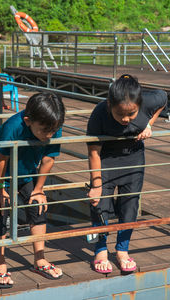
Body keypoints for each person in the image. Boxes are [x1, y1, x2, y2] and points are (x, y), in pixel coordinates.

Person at [0, 92, 65, 288]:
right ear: (28, 121)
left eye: (54, 130)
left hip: (26, 167)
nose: (50, 136)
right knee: (0, 211)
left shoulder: (53, 124)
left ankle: (40, 260)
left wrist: (39, 189)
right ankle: (0, 264)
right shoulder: (14, 126)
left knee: (37, 206)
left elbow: (48, 158)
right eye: (45, 131)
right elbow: (2, 159)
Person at [86, 74, 167, 274]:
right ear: (109, 104)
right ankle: (101, 249)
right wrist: (96, 186)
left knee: (129, 205)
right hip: (105, 160)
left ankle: (122, 249)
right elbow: (93, 152)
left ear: (139, 104)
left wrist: (149, 123)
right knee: (100, 206)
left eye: (131, 114)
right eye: (120, 114)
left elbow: (163, 98)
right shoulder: (99, 113)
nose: (125, 119)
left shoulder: (147, 101)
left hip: (133, 159)